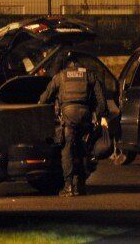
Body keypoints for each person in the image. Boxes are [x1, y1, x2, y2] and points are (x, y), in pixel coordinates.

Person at [39, 53, 108, 196]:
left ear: (67, 65)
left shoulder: (60, 76)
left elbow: (45, 98)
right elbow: (102, 101)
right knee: (83, 149)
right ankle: (81, 185)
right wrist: (97, 115)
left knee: (67, 151)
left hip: (69, 116)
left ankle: (68, 186)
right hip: (85, 116)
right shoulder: (89, 75)